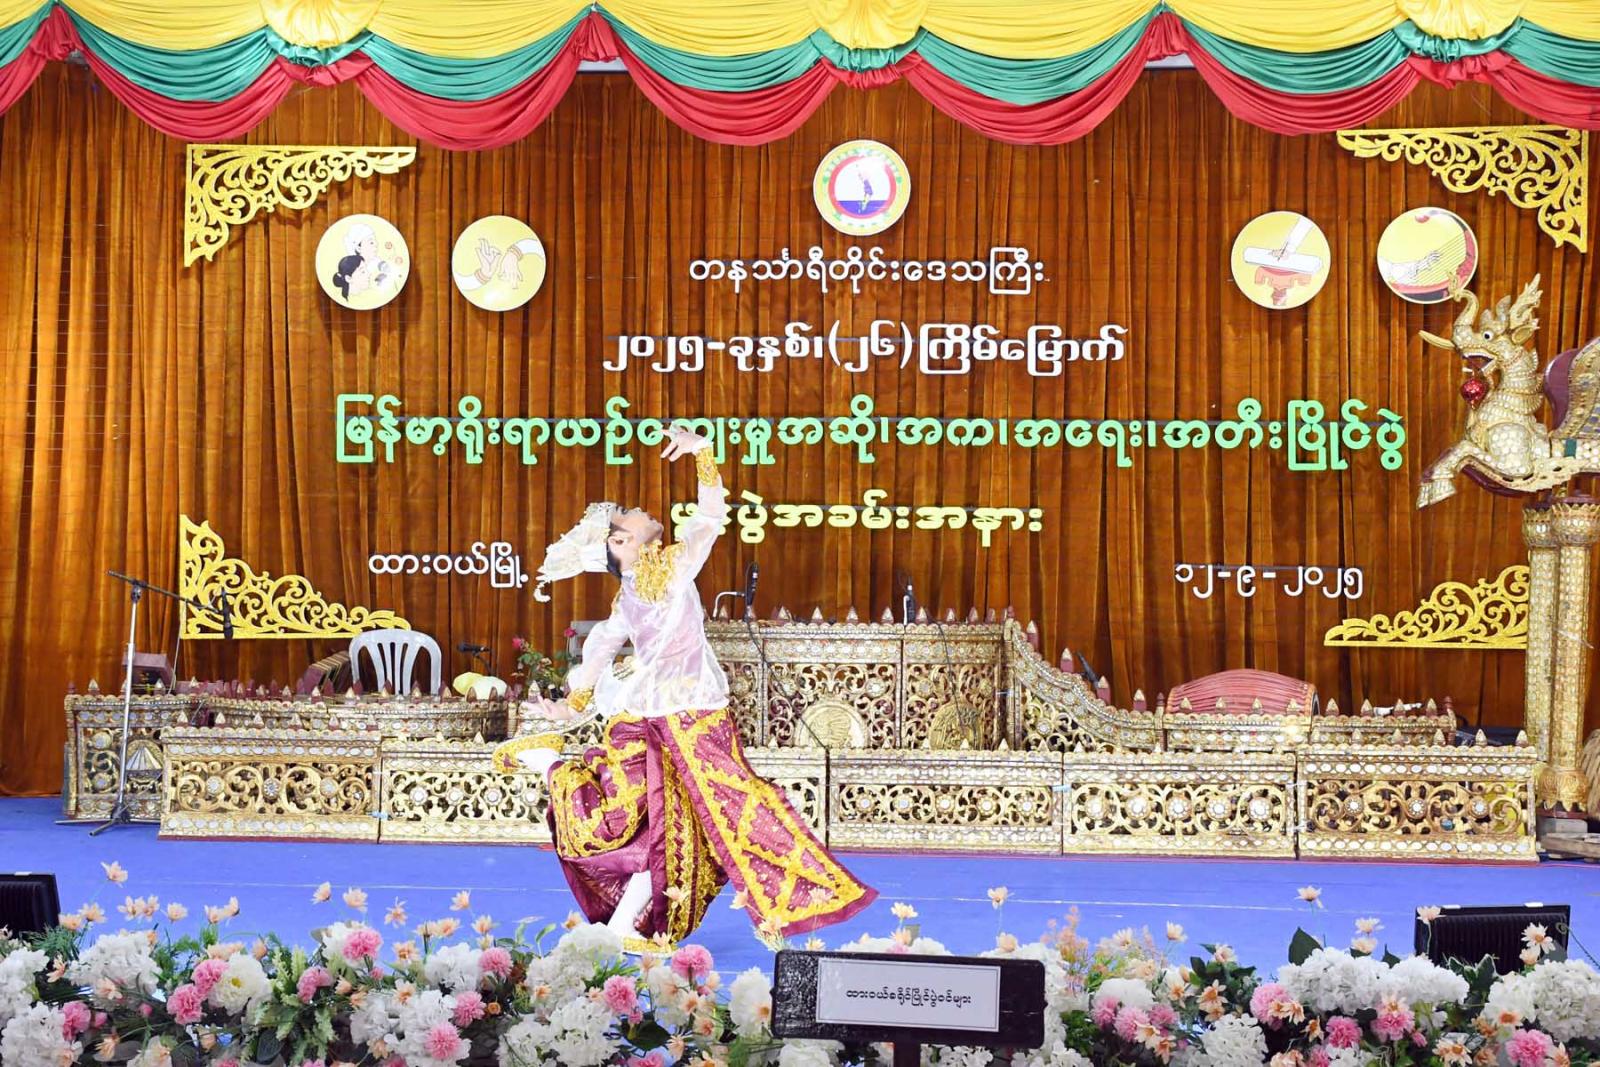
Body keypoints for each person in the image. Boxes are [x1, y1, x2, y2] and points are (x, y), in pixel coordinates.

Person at [494, 424, 876, 946]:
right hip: (687, 713)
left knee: (674, 827)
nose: (638, 509)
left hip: (659, 714)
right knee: (734, 805)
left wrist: (576, 703)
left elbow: (602, 643)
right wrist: (703, 454)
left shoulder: (651, 578)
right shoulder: (667, 569)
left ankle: (627, 922)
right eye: (626, 517)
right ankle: (803, 898)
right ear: (622, 542)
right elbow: (708, 519)